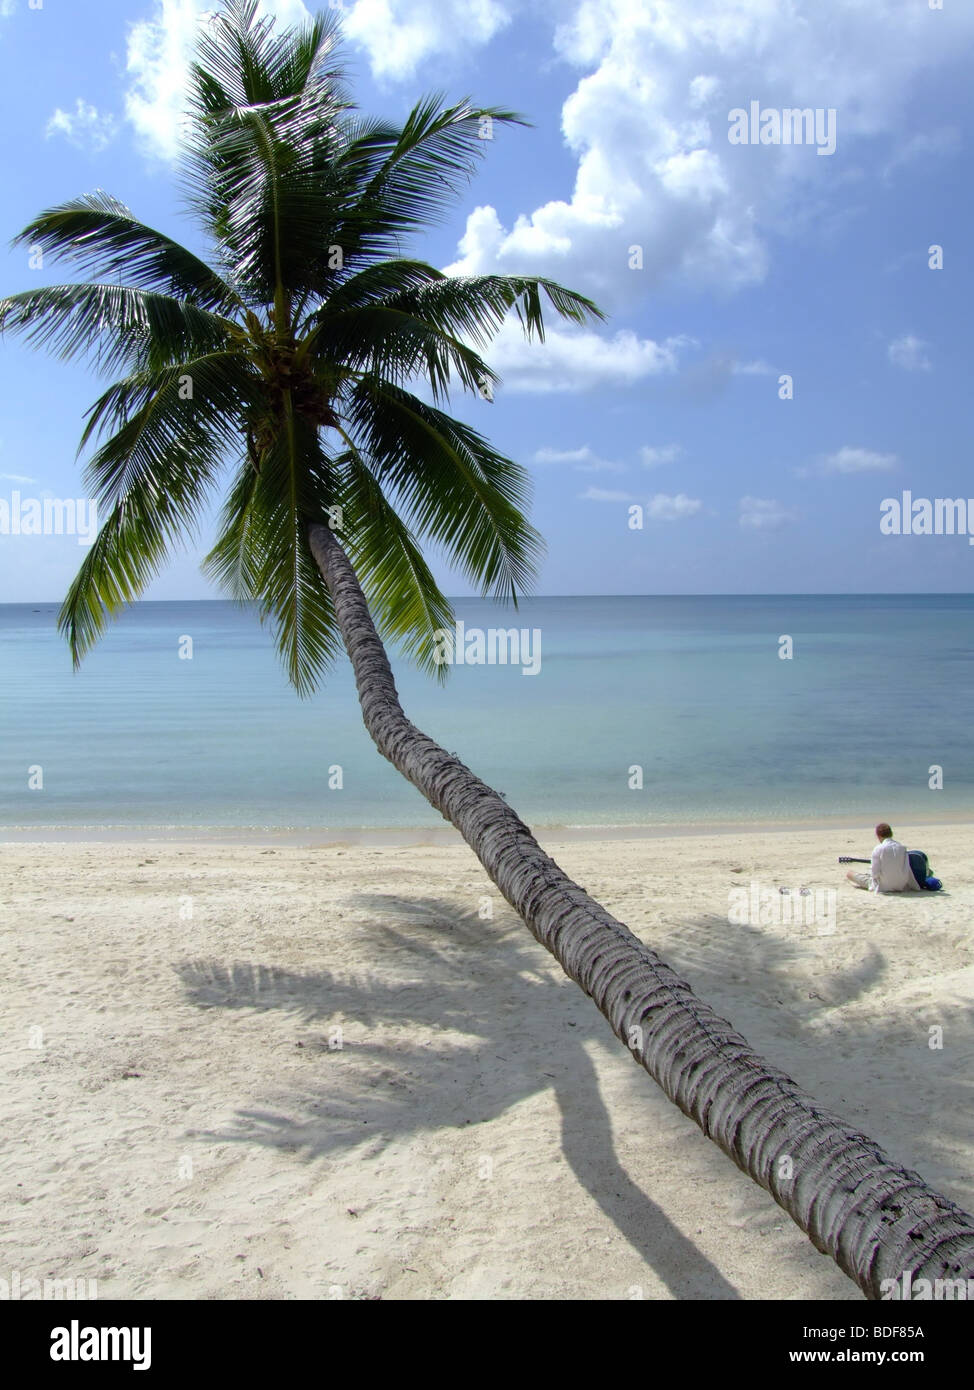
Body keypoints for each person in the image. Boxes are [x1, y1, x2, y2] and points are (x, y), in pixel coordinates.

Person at [846, 823, 920, 893]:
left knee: (849, 874)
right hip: (901, 885)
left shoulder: (879, 848)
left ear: (878, 836)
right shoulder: (902, 848)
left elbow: (875, 873)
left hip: (884, 886)